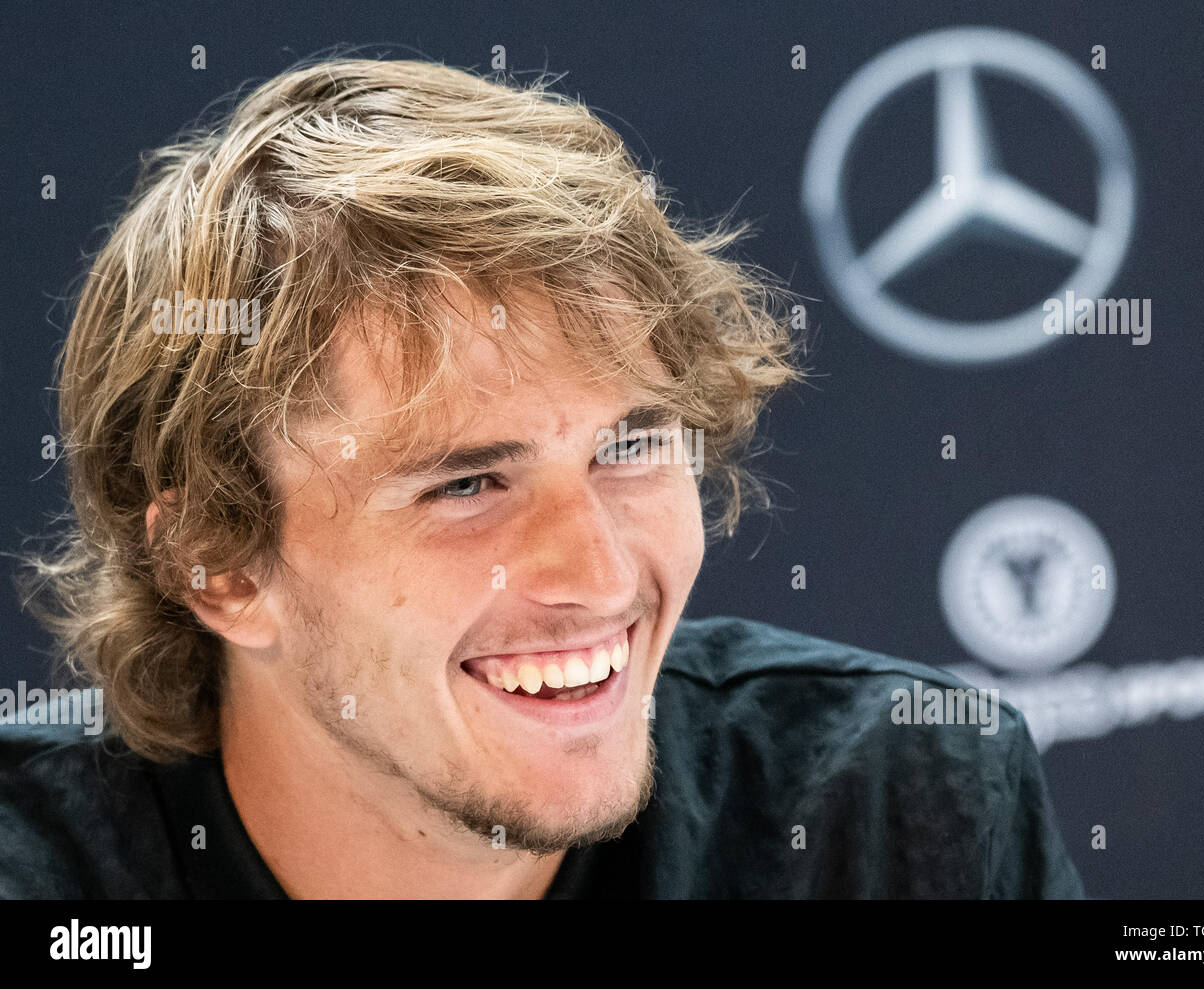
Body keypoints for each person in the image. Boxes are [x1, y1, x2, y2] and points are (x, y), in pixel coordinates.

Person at [1, 58, 1083, 898]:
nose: (599, 568)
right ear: (219, 564)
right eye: (467, 484)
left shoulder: (899, 810)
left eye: (631, 445)